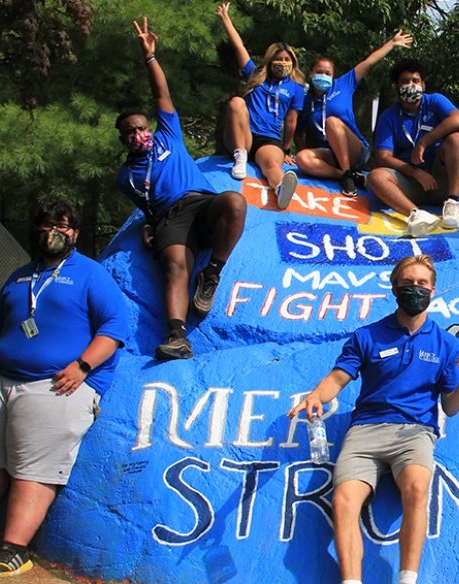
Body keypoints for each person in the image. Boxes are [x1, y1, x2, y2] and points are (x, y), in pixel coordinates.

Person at [0, 200, 128, 578]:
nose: (54, 232)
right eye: (47, 224)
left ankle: (14, 548)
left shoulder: (90, 274)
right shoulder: (20, 276)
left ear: (75, 233)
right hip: (0, 381)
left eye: (63, 226)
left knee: (34, 469)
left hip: (55, 385)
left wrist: (82, 366)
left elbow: (114, 328)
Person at [289, 255, 459, 584]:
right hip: (365, 431)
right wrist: (316, 396)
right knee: (344, 500)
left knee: (416, 488)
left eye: (422, 283)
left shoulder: (446, 343)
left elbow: (451, 407)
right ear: (394, 288)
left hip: (415, 433)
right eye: (408, 282)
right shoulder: (367, 336)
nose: (415, 289)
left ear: (433, 289)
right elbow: (338, 378)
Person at [116, 17, 247, 360]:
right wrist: (148, 227)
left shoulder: (168, 135)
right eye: (130, 132)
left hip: (200, 204)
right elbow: (146, 207)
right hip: (169, 217)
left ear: (150, 127)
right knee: (174, 265)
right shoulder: (125, 176)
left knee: (234, 202)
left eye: (141, 127)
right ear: (123, 139)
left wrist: (150, 57)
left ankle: (212, 273)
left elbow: (161, 93)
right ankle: (177, 336)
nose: (138, 134)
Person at [295, 30, 413, 197]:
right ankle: (347, 175)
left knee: (332, 122)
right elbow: (298, 133)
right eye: (319, 72)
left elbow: (368, 62)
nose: (323, 76)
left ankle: (347, 174)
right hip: (330, 154)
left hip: (355, 150)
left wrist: (392, 43)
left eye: (328, 73)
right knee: (302, 158)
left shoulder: (343, 84)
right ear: (311, 74)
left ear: (333, 76)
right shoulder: (306, 101)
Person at [366, 58, 459, 237]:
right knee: (375, 176)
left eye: (415, 81)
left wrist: (423, 142)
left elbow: (457, 120)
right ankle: (416, 215)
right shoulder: (388, 117)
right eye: (405, 81)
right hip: (410, 182)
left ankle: (452, 203)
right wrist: (415, 172)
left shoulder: (435, 101)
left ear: (423, 84)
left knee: (457, 139)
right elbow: (383, 157)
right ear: (396, 87)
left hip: (440, 179)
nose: (411, 85)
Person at [215, 3, 303, 209]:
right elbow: (239, 48)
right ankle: (240, 158)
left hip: (269, 139)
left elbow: (291, 121)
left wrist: (286, 149)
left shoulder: (297, 88)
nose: (283, 63)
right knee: (236, 102)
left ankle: (280, 189)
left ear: (293, 62)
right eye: (278, 59)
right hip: (244, 135)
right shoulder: (255, 75)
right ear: (270, 60)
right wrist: (226, 18)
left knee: (272, 164)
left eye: (287, 59)